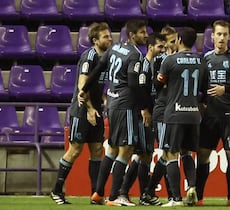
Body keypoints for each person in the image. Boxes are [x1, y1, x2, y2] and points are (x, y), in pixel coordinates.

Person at [80, 19, 148, 206]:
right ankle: (115, 196)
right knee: (126, 150)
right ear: (133, 35)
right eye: (142, 32)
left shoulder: (115, 48)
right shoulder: (135, 55)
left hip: (112, 103)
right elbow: (134, 84)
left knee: (112, 149)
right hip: (126, 105)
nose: (146, 35)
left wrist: (84, 89)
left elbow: (98, 69)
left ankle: (98, 193)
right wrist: (144, 107)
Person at [50, 22, 112, 205]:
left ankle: (96, 194)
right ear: (95, 40)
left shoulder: (107, 58)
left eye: (109, 36)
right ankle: (56, 191)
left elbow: (96, 85)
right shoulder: (89, 57)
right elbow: (82, 85)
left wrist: (104, 99)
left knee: (97, 151)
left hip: (96, 108)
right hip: (82, 110)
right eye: (105, 37)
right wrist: (90, 109)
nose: (110, 39)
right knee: (75, 150)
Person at [195, 20, 230, 207]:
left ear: (229, 36)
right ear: (212, 36)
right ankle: (199, 197)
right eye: (218, 34)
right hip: (210, 116)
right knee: (203, 155)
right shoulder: (206, 58)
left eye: (225, 34)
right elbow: (201, 86)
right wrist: (201, 105)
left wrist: (224, 89)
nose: (221, 38)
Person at [156, 27, 208, 207]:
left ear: (178, 40)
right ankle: (192, 187)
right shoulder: (202, 61)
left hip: (174, 113)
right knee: (187, 153)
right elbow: (206, 90)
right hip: (193, 114)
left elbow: (157, 85)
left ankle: (176, 198)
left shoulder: (170, 60)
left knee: (171, 154)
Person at [117, 32, 166, 206]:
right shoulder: (144, 65)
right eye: (160, 46)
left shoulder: (154, 65)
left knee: (143, 154)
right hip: (143, 114)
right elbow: (141, 90)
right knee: (144, 154)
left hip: (148, 113)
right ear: (151, 47)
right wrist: (146, 110)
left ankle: (139, 194)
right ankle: (131, 193)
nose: (162, 50)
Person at [141, 25, 178, 204]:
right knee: (167, 152)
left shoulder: (174, 58)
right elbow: (153, 85)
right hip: (161, 109)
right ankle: (152, 192)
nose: (174, 44)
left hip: (172, 110)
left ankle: (153, 192)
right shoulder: (161, 60)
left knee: (167, 153)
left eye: (174, 41)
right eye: (170, 42)